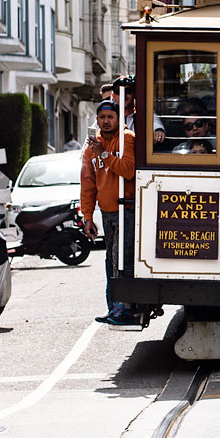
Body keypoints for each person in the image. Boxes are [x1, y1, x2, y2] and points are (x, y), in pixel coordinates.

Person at [80, 99, 138, 328]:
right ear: (97, 119)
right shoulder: (90, 149)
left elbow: (128, 170)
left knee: (122, 259)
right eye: (102, 117)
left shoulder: (127, 139)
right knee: (110, 260)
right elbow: (87, 185)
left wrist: (104, 154)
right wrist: (87, 217)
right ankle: (113, 307)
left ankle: (126, 308)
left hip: (128, 209)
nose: (105, 121)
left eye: (110, 117)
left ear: (118, 119)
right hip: (107, 212)